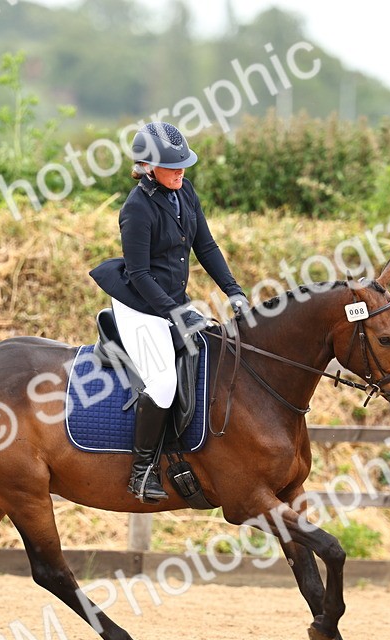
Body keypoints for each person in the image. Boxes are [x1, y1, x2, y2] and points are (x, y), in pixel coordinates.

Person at [90, 121, 250, 504]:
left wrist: (234, 291)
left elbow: (206, 247)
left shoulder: (185, 191)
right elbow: (141, 275)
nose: (181, 171)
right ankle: (141, 471)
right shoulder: (136, 209)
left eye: (184, 165)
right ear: (146, 167)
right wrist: (179, 313)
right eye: (172, 166)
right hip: (139, 306)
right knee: (162, 382)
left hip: (170, 302)